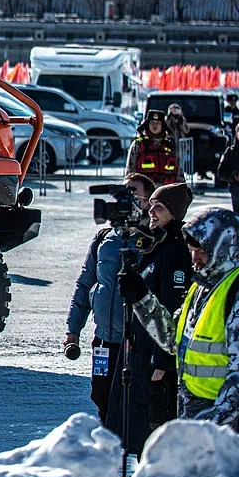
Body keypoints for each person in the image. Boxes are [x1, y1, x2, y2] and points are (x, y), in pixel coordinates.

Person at [121, 207, 239, 436]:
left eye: (202, 251)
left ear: (223, 246)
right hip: (194, 410)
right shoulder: (202, 286)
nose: (195, 259)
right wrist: (142, 299)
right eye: (192, 250)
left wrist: (211, 424)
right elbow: (173, 340)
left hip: (233, 422)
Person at [105, 182, 195, 455]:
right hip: (138, 345)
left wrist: (162, 360)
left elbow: (172, 307)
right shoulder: (154, 242)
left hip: (154, 351)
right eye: (152, 205)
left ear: (175, 213)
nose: (152, 212)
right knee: (124, 420)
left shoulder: (177, 250)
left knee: (147, 424)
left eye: (160, 207)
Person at [67, 174, 156, 425]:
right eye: (124, 192)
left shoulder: (152, 240)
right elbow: (85, 283)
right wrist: (73, 329)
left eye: (134, 192)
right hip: (104, 338)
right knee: (101, 393)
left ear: (148, 200)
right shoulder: (104, 238)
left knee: (132, 399)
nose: (128, 198)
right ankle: (110, 446)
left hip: (135, 340)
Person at [126, 110, 180, 186]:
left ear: (163, 125)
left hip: (167, 190)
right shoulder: (138, 144)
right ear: (147, 124)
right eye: (152, 123)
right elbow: (130, 169)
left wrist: (182, 190)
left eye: (158, 123)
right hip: (145, 190)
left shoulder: (171, 145)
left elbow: (179, 171)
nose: (155, 126)